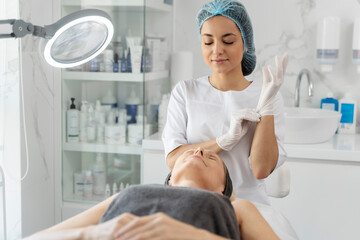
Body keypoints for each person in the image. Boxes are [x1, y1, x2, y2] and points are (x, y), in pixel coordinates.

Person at [162, 0, 288, 205]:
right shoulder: (186, 92)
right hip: (194, 204)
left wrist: (267, 105)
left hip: (249, 205)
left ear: (246, 43)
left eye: (228, 41)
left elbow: (261, 169)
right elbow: (173, 160)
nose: (217, 50)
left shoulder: (266, 93)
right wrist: (222, 142)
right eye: (208, 42)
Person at [25, 147, 279, 240]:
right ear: (170, 180)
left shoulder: (236, 209)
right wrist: (92, 233)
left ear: (221, 189)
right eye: (188, 154)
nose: (199, 151)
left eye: (211, 157)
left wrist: (195, 236)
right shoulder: (130, 194)